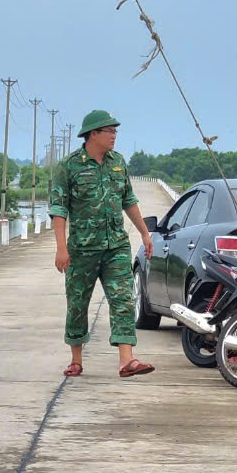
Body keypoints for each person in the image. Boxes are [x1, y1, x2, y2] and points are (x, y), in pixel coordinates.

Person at [49, 109, 156, 378]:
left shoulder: (117, 162)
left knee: (123, 300)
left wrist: (144, 233)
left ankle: (126, 360)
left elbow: (128, 200)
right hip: (81, 250)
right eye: (110, 131)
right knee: (77, 304)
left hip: (116, 247)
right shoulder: (69, 166)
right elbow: (59, 209)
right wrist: (61, 248)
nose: (114, 136)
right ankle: (76, 360)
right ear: (93, 134)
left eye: (115, 132)